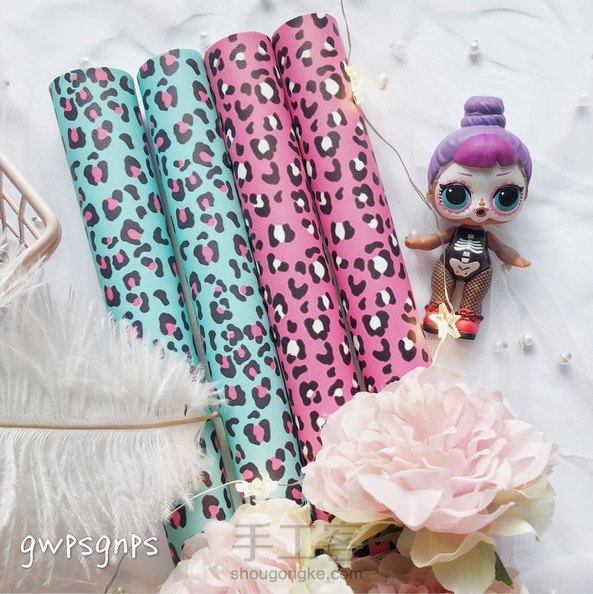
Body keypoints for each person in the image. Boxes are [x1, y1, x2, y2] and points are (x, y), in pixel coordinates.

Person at [405, 96, 532, 339]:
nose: (480, 207)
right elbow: (436, 239)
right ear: (432, 190)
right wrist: (418, 242)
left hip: (479, 270)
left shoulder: (488, 237)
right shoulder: (452, 233)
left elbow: (501, 250)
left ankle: (468, 317)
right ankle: (437, 309)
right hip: (448, 265)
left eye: (506, 196)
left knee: (477, 289)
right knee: (441, 279)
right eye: (456, 194)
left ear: (524, 194)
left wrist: (515, 258)